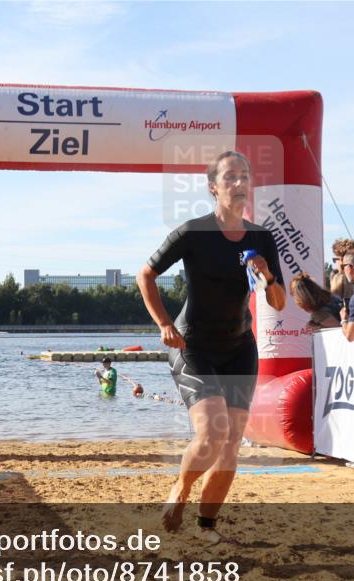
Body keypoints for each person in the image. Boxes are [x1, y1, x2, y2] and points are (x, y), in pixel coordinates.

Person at [136, 150, 286, 543]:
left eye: (245, 177)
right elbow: (145, 275)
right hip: (192, 344)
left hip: (239, 347)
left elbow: (279, 302)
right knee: (211, 435)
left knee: (232, 446)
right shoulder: (193, 232)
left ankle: (206, 525)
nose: (239, 184)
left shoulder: (261, 238)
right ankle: (180, 491)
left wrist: (268, 277)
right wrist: (164, 324)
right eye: (231, 177)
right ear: (213, 187)